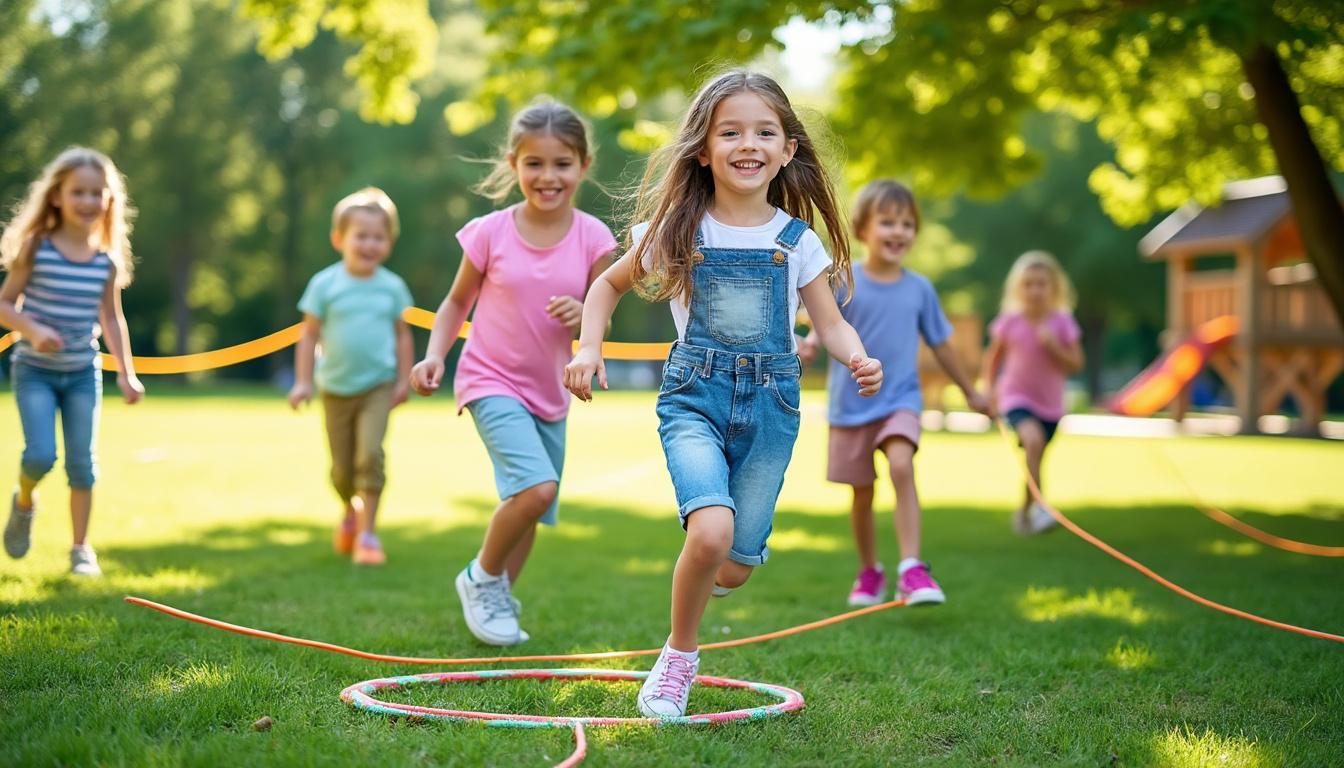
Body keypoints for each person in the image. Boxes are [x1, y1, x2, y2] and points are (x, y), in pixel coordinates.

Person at [563, 71, 883, 718]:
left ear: (788, 149)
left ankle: (719, 566)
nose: (749, 144)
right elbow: (605, 287)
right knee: (710, 534)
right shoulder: (678, 228)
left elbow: (829, 322)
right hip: (694, 400)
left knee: (733, 564)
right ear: (702, 150)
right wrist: (588, 347)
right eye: (729, 131)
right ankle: (679, 658)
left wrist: (856, 356)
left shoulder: (796, 242)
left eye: (765, 131)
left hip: (772, 410)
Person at [410, 100, 617, 646]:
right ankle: (481, 577)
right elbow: (456, 303)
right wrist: (435, 354)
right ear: (513, 163)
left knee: (533, 506)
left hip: (552, 390)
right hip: (489, 379)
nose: (548, 176)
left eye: (562, 163)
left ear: (584, 165)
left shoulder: (595, 239)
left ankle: (495, 602)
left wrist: (585, 317)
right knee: (537, 487)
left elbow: (602, 316)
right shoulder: (489, 233)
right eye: (534, 163)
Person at [800, 180, 991, 608]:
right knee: (862, 493)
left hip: (901, 398)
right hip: (851, 406)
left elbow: (942, 344)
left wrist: (971, 392)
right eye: (888, 222)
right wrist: (809, 345)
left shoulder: (920, 288)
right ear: (864, 229)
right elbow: (824, 325)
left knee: (902, 464)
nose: (899, 231)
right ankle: (870, 571)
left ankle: (911, 568)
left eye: (907, 224)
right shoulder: (844, 280)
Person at [0, 147, 145, 576]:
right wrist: (33, 329)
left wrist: (128, 374)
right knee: (41, 455)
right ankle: (25, 499)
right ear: (57, 196)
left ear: (108, 201)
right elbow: (5, 304)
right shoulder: (36, 249)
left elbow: (112, 319)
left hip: (83, 372)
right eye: (77, 191)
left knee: (82, 463)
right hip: (36, 372)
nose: (87, 201)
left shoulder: (105, 261)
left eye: (96, 193)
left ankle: (81, 549)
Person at [289, 187, 413, 565]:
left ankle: (369, 535)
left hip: (378, 385)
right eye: (362, 235)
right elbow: (308, 335)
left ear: (388, 243)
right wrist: (303, 380)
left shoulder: (391, 287)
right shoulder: (325, 284)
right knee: (341, 470)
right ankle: (350, 510)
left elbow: (402, 335)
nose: (370, 244)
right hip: (334, 388)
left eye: (379, 237)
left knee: (370, 456)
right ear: (339, 239)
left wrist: (404, 379)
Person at [982, 250, 1083, 535]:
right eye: (1028, 284)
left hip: (1051, 405)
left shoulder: (1062, 323)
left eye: (1041, 283)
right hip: (1015, 397)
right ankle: (1041, 509)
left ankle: (1025, 511)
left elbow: (1076, 364)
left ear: (1054, 288)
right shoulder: (1010, 322)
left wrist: (1055, 347)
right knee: (1033, 441)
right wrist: (989, 391)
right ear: (1018, 288)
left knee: (1035, 457)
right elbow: (993, 359)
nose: (1035, 290)